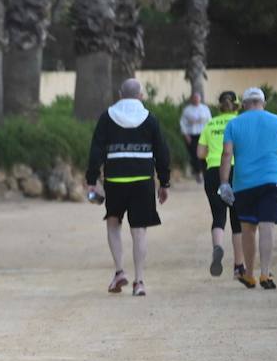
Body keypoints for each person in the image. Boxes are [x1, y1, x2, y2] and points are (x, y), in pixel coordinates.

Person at [86, 78, 171, 297]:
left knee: (113, 223)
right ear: (141, 95)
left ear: (120, 93)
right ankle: (139, 281)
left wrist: (92, 178)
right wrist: (164, 182)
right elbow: (162, 151)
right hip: (143, 180)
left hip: (115, 180)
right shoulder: (149, 118)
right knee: (139, 230)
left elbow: (96, 149)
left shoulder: (108, 117)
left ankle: (119, 271)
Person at [219, 87, 277, 289]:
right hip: (271, 181)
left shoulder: (234, 124)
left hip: (244, 184)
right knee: (267, 226)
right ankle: (265, 274)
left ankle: (249, 274)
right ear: (263, 103)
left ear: (244, 104)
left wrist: (224, 183)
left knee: (248, 229)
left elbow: (226, 154)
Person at [196, 90, 244, 279]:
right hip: (235, 170)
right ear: (237, 104)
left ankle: (218, 246)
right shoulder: (239, 122)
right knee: (237, 219)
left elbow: (200, 153)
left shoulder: (210, 123)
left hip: (212, 171)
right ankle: (239, 266)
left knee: (218, 215)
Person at [180, 91, 212, 184]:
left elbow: (209, 122)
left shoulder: (205, 109)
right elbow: (183, 124)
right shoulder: (187, 110)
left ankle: (206, 172)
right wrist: (186, 135)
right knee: (195, 154)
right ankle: (198, 172)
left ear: (200, 99)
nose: (196, 99)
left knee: (204, 154)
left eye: (197, 98)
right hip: (192, 135)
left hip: (203, 135)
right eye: (194, 98)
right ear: (192, 99)